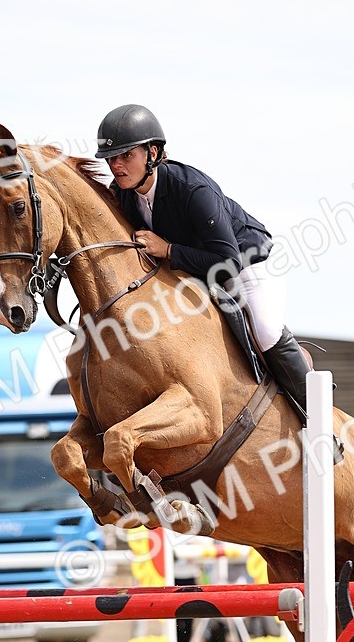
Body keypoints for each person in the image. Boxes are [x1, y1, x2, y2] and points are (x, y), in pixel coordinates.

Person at [95, 103, 310, 415]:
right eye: (112, 158)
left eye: (126, 155)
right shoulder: (125, 194)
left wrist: (168, 250)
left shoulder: (191, 189)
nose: (117, 165)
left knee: (265, 330)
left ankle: (319, 419)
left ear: (153, 153)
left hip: (246, 265)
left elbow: (228, 262)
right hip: (197, 275)